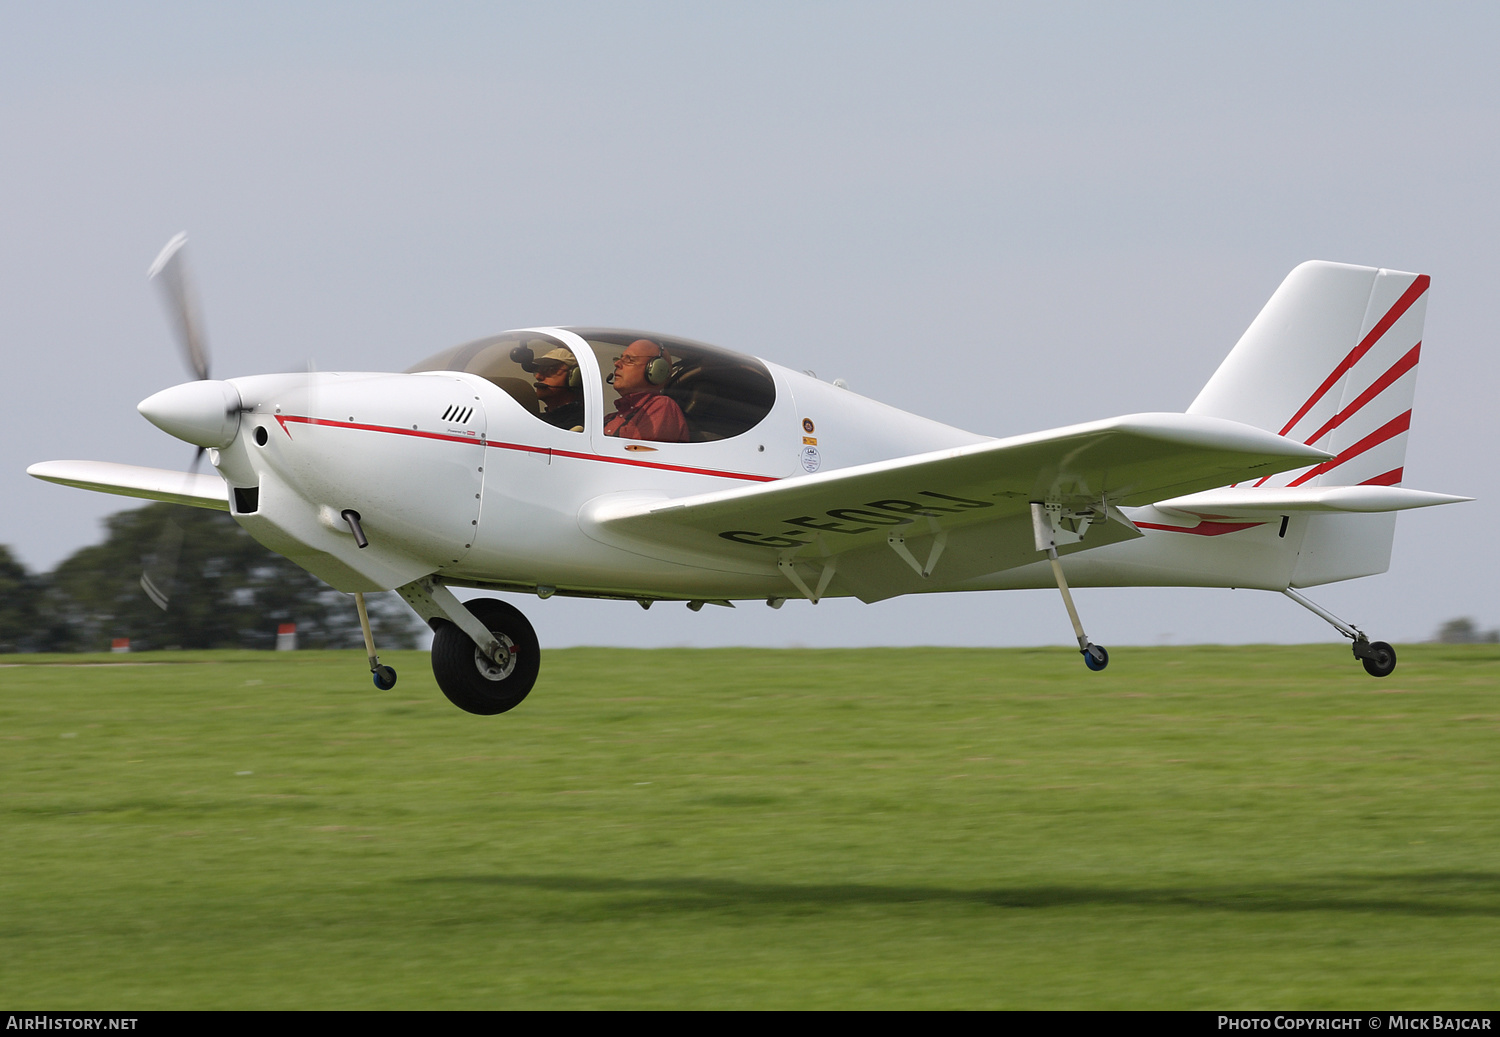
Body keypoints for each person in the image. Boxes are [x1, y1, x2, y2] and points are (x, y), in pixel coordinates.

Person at [604, 339, 689, 442]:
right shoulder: (610, 418)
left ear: (656, 370)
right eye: (620, 358)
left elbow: (639, 455)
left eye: (629, 360)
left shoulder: (661, 406)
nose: (617, 364)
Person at [531, 347, 585, 431]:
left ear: (575, 377)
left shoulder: (578, 422)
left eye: (550, 370)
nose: (538, 376)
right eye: (538, 371)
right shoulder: (540, 419)